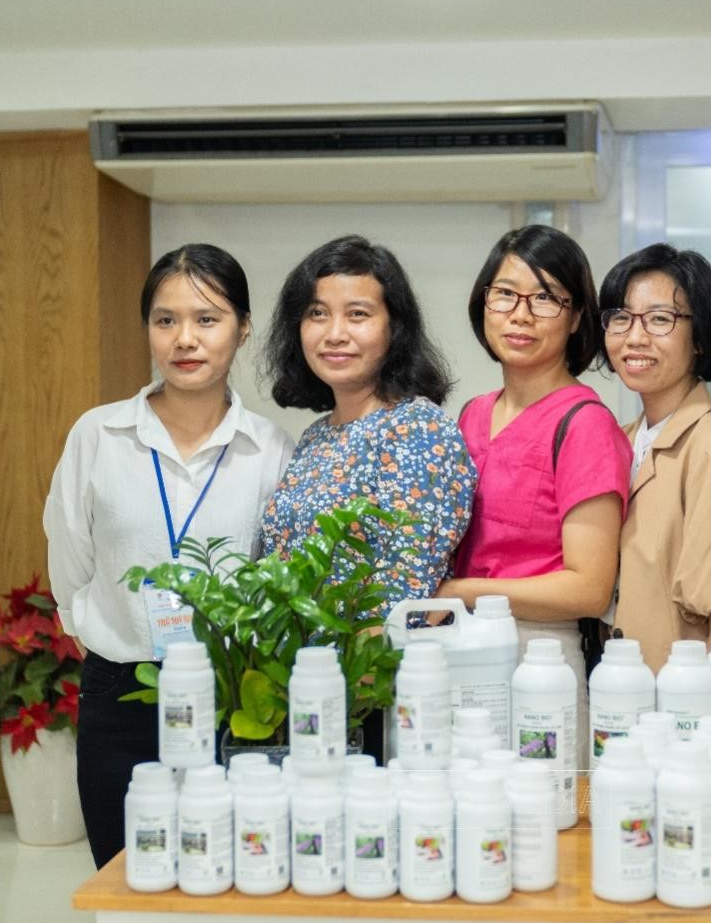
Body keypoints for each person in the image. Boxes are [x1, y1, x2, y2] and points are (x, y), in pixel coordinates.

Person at [43, 244, 294, 868]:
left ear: (243, 329)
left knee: (229, 879)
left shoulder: (270, 449)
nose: (186, 339)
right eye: (166, 320)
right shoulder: (98, 435)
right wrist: (96, 629)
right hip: (121, 694)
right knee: (124, 878)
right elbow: (70, 557)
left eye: (207, 319)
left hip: (234, 700)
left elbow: (276, 578)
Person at [439, 225, 631, 762]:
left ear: (575, 319)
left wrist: (460, 593)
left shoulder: (585, 422)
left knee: (542, 825)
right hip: (461, 649)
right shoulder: (473, 413)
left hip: (538, 658)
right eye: (505, 294)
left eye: (545, 298)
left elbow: (589, 589)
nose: (520, 314)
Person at [259, 234, 476, 613]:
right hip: (298, 664)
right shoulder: (316, 437)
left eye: (357, 314)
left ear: (394, 329)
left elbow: (405, 585)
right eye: (317, 313)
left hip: (372, 665)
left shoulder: (416, 429)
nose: (335, 334)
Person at [597, 243, 711, 672]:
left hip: (682, 709)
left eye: (660, 319)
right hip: (620, 691)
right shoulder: (622, 441)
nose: (635, 336)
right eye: (621, 317)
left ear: (699, 338)